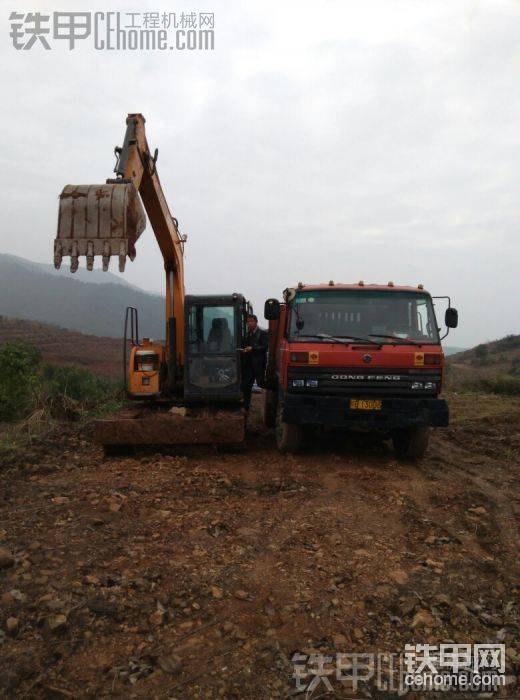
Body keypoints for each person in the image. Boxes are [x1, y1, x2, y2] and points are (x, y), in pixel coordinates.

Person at [241, 314, 268, 410]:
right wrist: (244, 350)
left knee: (262, 384)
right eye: (248, 322)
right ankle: (246, 407)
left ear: (256, 322)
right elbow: (245, 347)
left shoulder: (262, 333)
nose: (249, 323)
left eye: (251, 321)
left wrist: (252, 348)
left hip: (259, 365)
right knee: (246, 386)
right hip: (249, 365)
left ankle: (266, 408)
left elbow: (265, 347)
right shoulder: (247, 334)